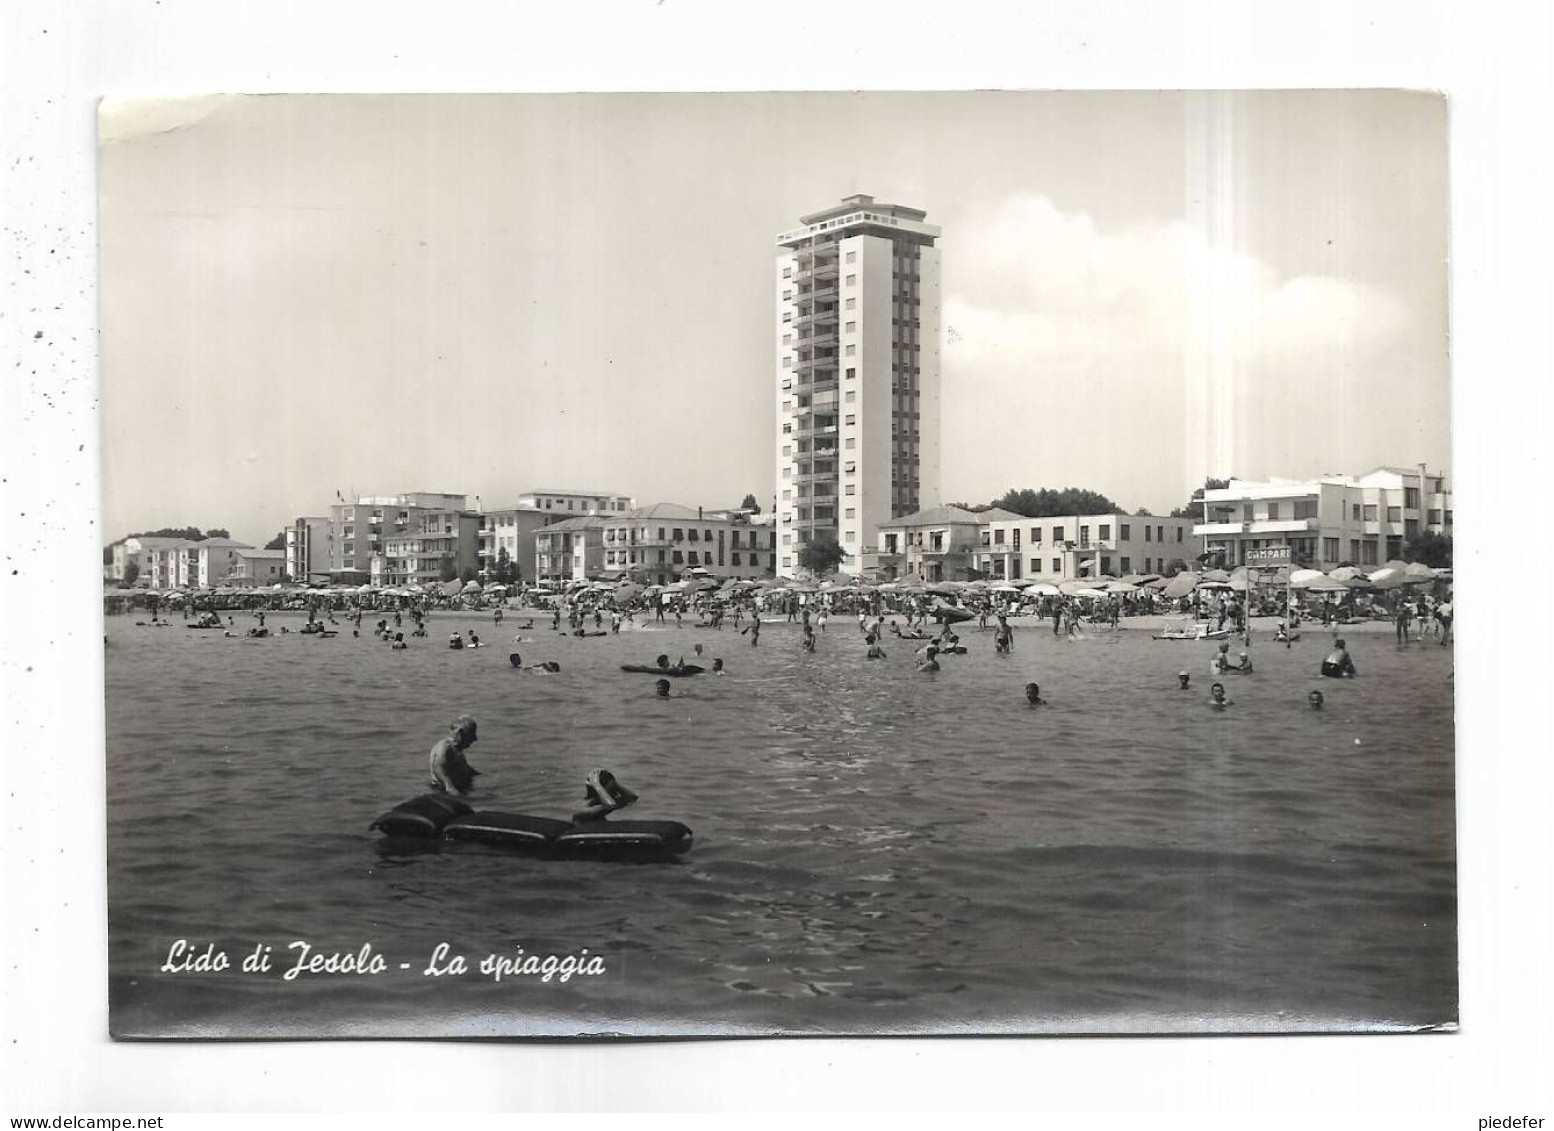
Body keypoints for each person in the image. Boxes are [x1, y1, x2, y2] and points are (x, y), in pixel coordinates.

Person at [428, 716, 481, 794]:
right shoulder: (445, 747)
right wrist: (449, 787)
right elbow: (438, 767)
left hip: (460, 788)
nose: (475, 738)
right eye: (471, 734)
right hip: (443, 792)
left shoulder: (457, 750)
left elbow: (467, 770)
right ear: (461, 732)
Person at [571, 769, 640, 823]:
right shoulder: (584, 809)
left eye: (615, 789)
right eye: (612, 790)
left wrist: (616, 784)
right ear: (600, 790)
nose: (615, 793)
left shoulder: (604, 806)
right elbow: (611, 805)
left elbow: (633, 797)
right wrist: (597, 784)